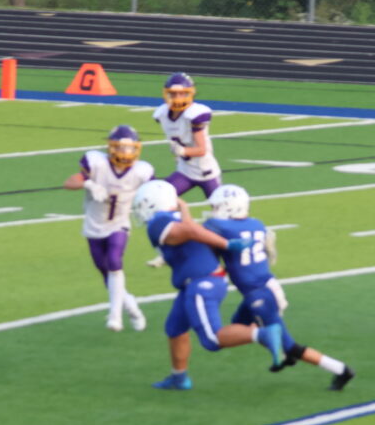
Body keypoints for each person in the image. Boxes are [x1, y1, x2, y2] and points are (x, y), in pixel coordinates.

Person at [131, 180, 286, 390]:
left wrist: (227, 244)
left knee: (212, 339)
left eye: (141, 204)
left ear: (152, 203)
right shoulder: (174, 218)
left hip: (201, 283)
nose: (139, 210)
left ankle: (263, 334)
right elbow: (190, 232)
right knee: (175, 328)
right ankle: (179, 377)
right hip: (201, 281)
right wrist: (185, 210)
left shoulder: (159, 221)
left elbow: (190, 232)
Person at [202, 184, 355, 391]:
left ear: (229, 206)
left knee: (288, 344)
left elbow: (199, 236)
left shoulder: (220, 226)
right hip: (265, 288)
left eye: (216, 206)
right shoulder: (256, 223)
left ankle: (341, 370)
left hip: (260, 296)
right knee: (238, 327)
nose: (213, 210)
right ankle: (283, 352)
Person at [63, 125, 154, 332]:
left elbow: (154, 192)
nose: (125, 153)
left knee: (114, 261)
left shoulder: (142, 171)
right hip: (94, 226)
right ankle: (131, 305)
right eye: (120, 147)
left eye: (129, 148)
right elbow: (69, 182)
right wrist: (88, 184)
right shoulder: (97, 163)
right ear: (111, 148)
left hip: (119, 224)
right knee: (106, 274)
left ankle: (115, 317)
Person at [147, 72, 222, 268]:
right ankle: (166, 252)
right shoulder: (162, 114)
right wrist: (180, 153)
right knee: (159, 204)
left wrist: (182, 150)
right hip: (185, 172)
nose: (177, 98)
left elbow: (201, 149)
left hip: (206, 172)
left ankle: (253, 243)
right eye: (173, 94)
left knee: (224, 216)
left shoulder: (195, 114)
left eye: (182, 94)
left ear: (190, 94)